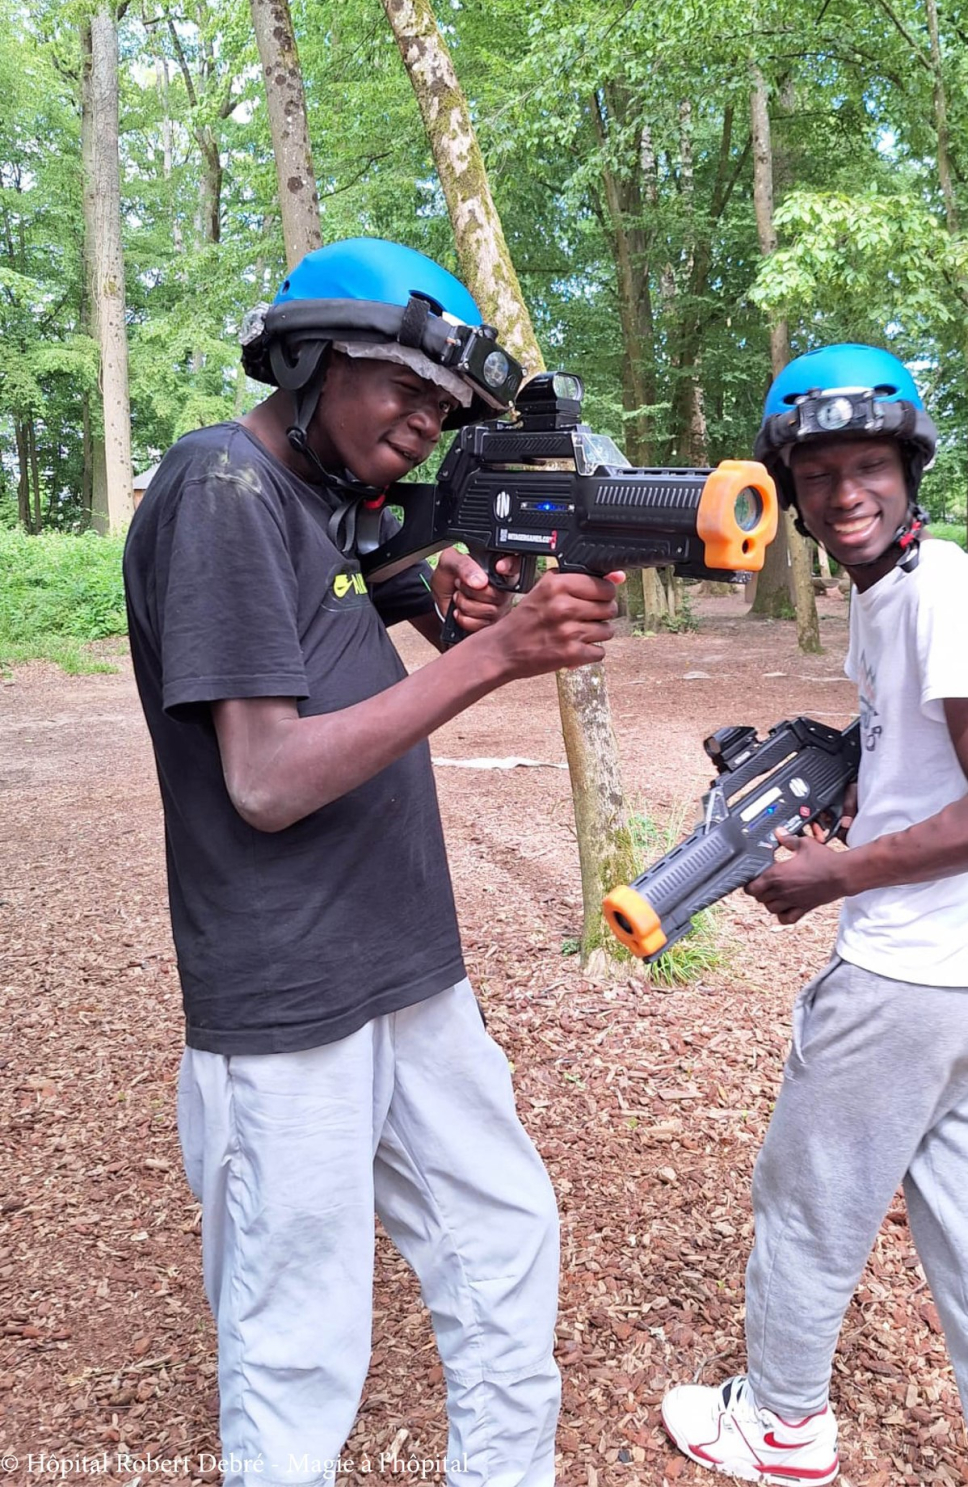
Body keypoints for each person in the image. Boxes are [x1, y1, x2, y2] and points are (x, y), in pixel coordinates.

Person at [122, 238, 622, 1487]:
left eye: (443, 407)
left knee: (502, 1236)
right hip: (286, 995)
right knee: (300, 1340)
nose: (423, 419)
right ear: (308, 358)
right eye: (401, 384)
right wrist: (493, 654)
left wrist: (442, 593)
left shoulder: (326, 499)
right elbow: (267, 779)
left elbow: (379, 574)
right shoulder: (221, 488)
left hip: (405, 965)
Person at [661, 345, 968, 1487]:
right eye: (822, 469)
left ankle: (783, 1426)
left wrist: (839, 876)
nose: (846, 491)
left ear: (910, 467)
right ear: (792, 488)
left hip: (909, 978)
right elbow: (933, 773)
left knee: (803, 1205)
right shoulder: (889, 595)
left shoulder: (945, 593)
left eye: (870, 464)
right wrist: (849, 802)